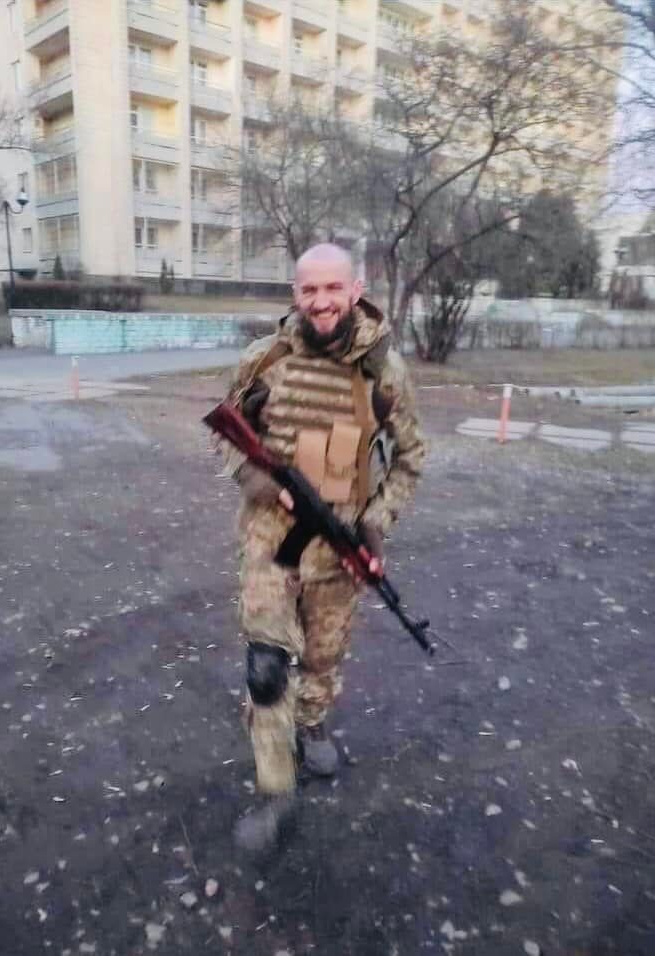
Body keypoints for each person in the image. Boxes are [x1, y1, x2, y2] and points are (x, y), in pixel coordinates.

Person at [220, 242, 425, 851]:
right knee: (265, 667)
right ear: (296, 294)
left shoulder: (384, 370)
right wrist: (255, 478)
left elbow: (411, 457)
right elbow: (227, 430)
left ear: (355, 290)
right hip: (269, 538)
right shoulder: (265, 359)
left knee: (322, 660)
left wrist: (375, 524)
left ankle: (311, 725)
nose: (322, 301)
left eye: (333, 288)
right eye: (309, 290)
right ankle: (276, 790)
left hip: (338, 546)